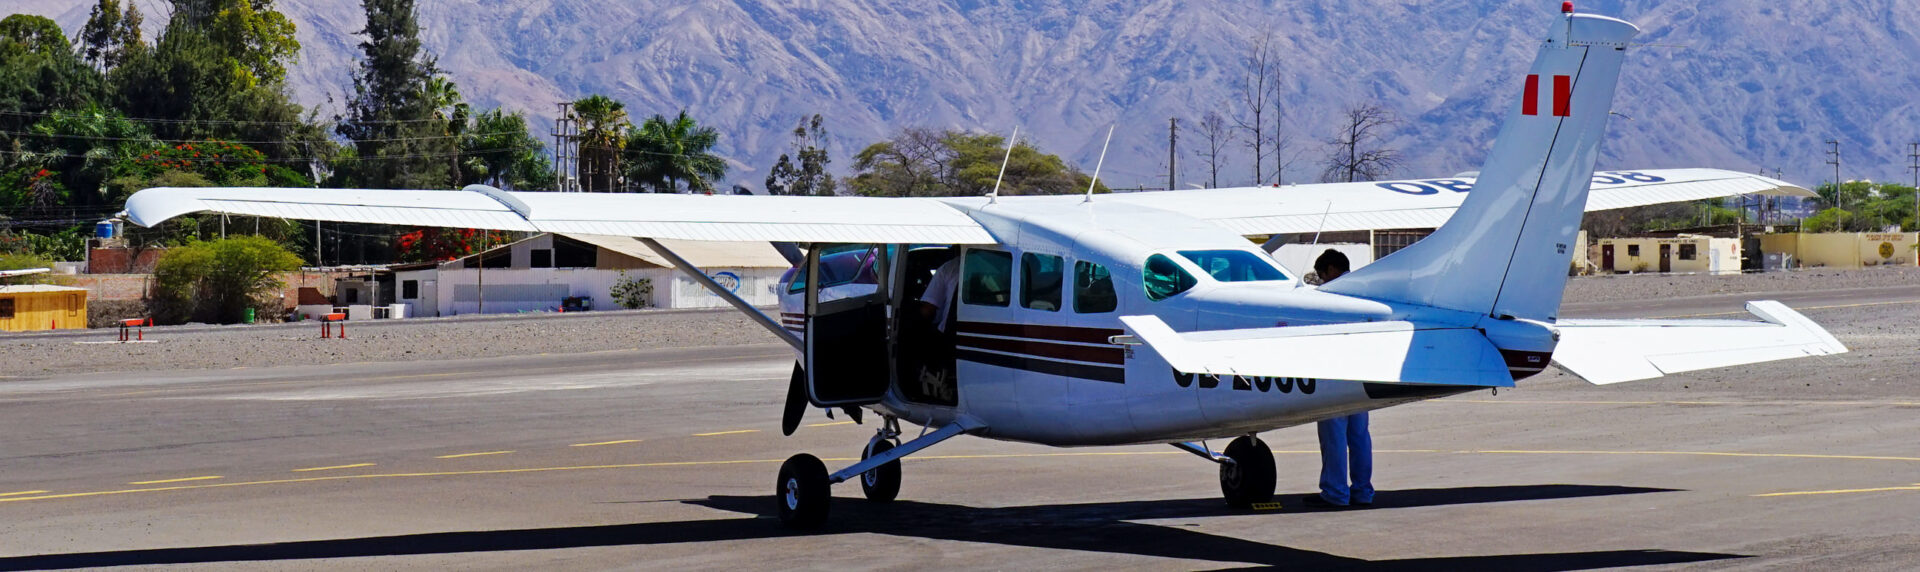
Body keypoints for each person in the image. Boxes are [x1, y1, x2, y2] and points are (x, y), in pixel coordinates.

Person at [1302, 249, 1374, 509]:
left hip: (1335, 372)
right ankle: (1363, 491)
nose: (1321, 281)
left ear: (1331, 270)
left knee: (1334, 436)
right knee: (1359, 436)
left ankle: (1335, 492)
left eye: (1322, 275)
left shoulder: (1332, 295)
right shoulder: (1367, 289)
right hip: (1364, 374)